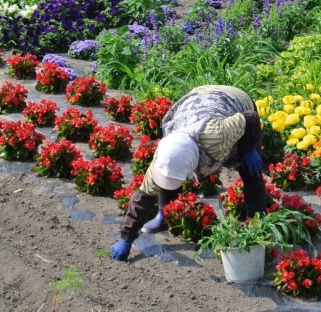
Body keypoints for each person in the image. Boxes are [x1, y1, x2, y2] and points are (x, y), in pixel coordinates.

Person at [111, 85, 266, 261]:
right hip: (196, 100)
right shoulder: (166, 153)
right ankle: (164, 215)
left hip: (235, 101)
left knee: (251, 169)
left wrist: (249, 148)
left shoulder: (216, 136)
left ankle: (256, 225)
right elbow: (144, 196)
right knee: (171, 170)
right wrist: (126, 238)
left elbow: (250, 118)